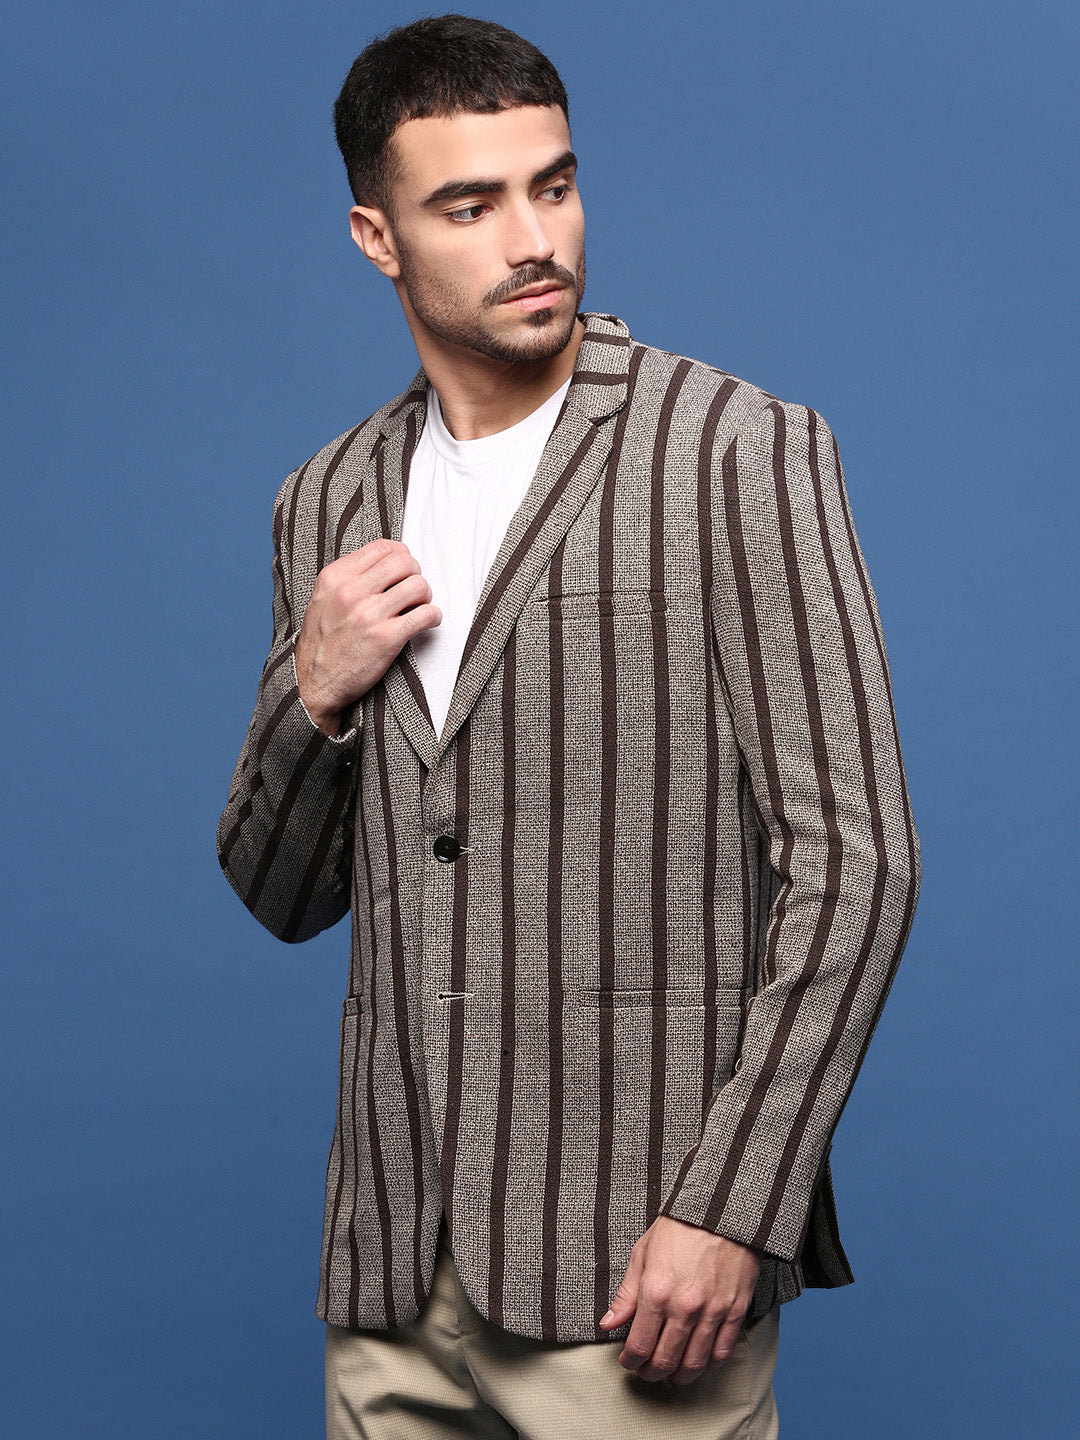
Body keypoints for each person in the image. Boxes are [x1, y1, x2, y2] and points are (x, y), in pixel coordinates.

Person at [217, 14, 920, 1439]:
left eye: (554, 185)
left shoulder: (735, 449)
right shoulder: (327, 499)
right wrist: (312, 689)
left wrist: (734, 1207)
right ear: (376, 237)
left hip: (637, 1280)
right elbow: (283, 897)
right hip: (394, 1279)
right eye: (469, 205)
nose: (533, 239)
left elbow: (858, 864)